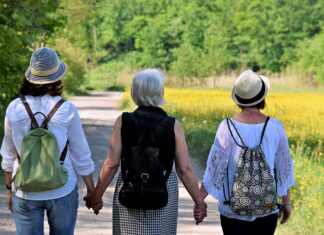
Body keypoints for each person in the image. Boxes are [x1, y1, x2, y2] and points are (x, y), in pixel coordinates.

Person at [87, 68, 207, 234]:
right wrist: (199, 202)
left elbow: (111, 164)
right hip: (163, 190)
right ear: (160, 92)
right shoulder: (173, 125)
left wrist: (96, 196)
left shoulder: (123, 121)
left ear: (134, 92)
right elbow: (184, 169)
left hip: (129, 187)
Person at [1, 47, 96, 235]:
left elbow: (8, 154)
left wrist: (10, 190)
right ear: (57, 77)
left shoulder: (15, 108)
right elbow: (81, 154)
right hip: (62, 188)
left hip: (25, 189)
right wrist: (92, 191)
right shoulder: (66, 109)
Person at [198, 70, 294, 235]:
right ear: (262, 97)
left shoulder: (226, 127)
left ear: (238, 99)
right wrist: (286, 202)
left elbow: (215, 170)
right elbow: (283, 169)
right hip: (268, 208)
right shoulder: (275, 126)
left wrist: (199, 202)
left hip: (232, 211)